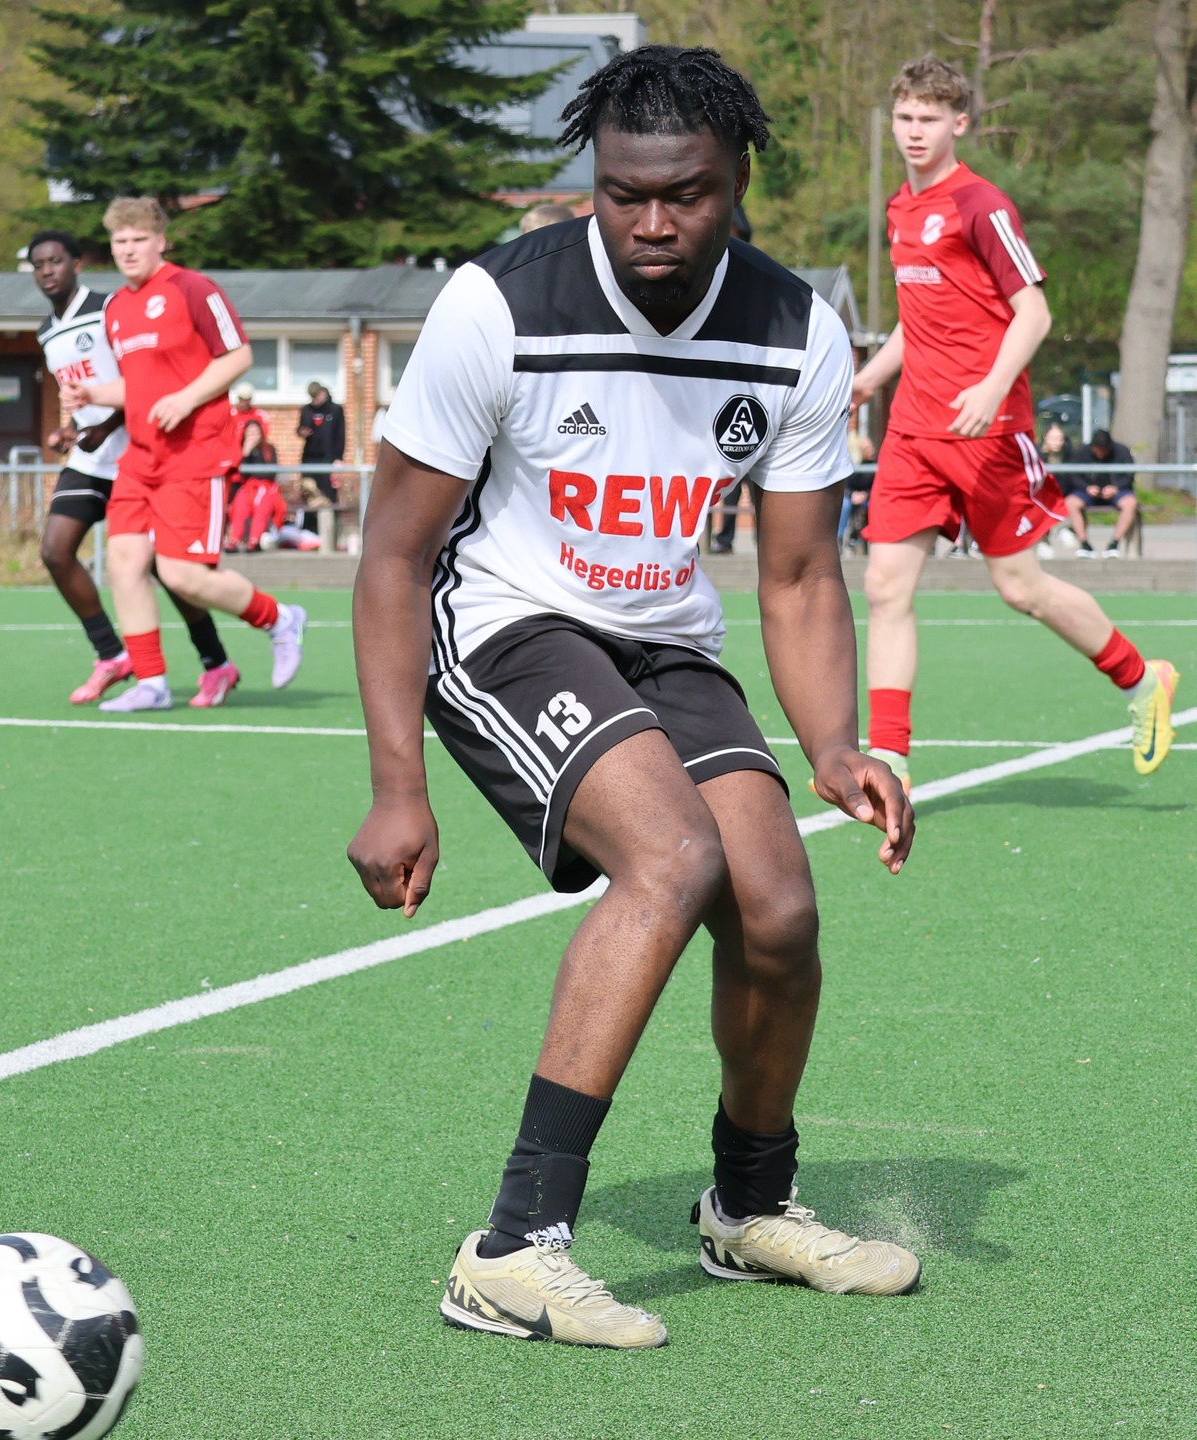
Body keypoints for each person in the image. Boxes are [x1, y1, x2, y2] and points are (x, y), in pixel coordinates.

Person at [348, 44, 921, 1352]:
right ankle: (511, 1249)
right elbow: (389, 553)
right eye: (624, 193)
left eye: (689, 195)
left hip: (661, 637)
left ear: (738, 184)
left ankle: (751, 1206)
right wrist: (397, 786)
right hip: (501, 619)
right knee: (670, 857)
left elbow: (794, 570)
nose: (653, 222)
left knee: (776, 904)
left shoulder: (799, 330)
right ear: (595, 184)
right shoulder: (498, 306)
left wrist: (836, 740)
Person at [851, 57, 1178, 781]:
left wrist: (993, 389)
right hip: (913, 430)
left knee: (1021, 587)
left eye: (929, 119)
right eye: (904, 118)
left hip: (985, 433)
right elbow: (918, 318)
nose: (914, 132)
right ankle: (890, 757)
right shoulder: (900, 208)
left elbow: (1034, 312)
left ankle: (1141, 676)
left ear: (958, 123)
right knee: (883, 586)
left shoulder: (982, 205)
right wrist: (868, 380)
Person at [58, 197, 306, 711]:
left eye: (137, 240)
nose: (127, 250)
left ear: (160, 241)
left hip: (194, 454)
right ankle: (152, 682)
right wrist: (92, 395)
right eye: (119, 242)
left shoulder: (192, 288)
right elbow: (139, 387)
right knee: (124, 563)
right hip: (140, 458)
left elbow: (239, 354)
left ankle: (278, 618)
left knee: (181, 576)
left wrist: (188, 397)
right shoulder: (117, 309)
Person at [30, 229, 242, 709]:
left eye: (55, 261)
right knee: (55, 551)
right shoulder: (45, 330)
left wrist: (107, 426)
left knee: (170, 572)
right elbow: (85, 388)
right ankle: (112, 654)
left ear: (77, 263)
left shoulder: (109, 308)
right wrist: (70, 429)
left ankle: (217, 664)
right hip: (90, 459)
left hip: (141, 452)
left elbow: (143, 378)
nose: (47, 271)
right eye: (38, 264)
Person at [1064, 428, 1138, 557]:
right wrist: (1086, 487)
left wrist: (1116, 487)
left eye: (1104, 450)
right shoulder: (1082, 452)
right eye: (1098, 450)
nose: (1101, 453)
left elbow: (1130, 475)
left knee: (1130, 503)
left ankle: (1114, 543)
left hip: (1116, 492)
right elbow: (1072, 475)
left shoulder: (1121, 451)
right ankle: (1084, 543)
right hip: (1087, 492)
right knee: (1070, 503)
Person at [225, 419, 286, 552]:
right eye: (250, 432)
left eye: (255, 432)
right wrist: (246, 453)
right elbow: (241, 473)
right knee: (240, 506)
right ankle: (234, 540)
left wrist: (255, 473)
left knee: (262, 507)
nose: (253, 435)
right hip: (248, 487)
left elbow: (270, 472)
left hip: (265, 488)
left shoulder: (269, 449)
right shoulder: (242, 450)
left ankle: (254, 540)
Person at [296, 380, 346, 520]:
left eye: (316, 397)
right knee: (308, 492)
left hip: (328, 459)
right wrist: (302, 432)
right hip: (309, 458)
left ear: (323, 393)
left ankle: (330, 529)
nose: (314, 401)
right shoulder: (307, 410)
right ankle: (310, 530)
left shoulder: (335, 410)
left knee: (328, 495)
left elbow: (340, 435)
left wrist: (338, 458)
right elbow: (299, 429)